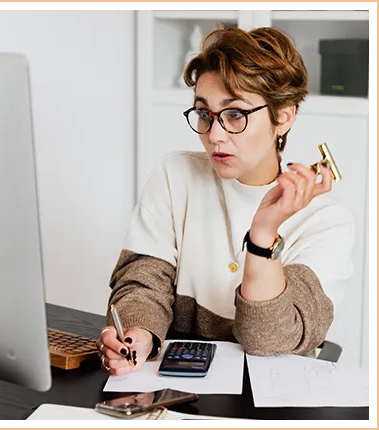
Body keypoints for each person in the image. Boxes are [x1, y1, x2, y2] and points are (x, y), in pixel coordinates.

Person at [96, 26, 355, 376]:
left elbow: (266, 339)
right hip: (176, 390)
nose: (214, 135)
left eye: (235, 114)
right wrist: (139, 333)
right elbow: (143, 280)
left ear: (284, 116)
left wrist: (263, 235)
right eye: (204, 114)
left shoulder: (327, 221)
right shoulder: (176, 175)